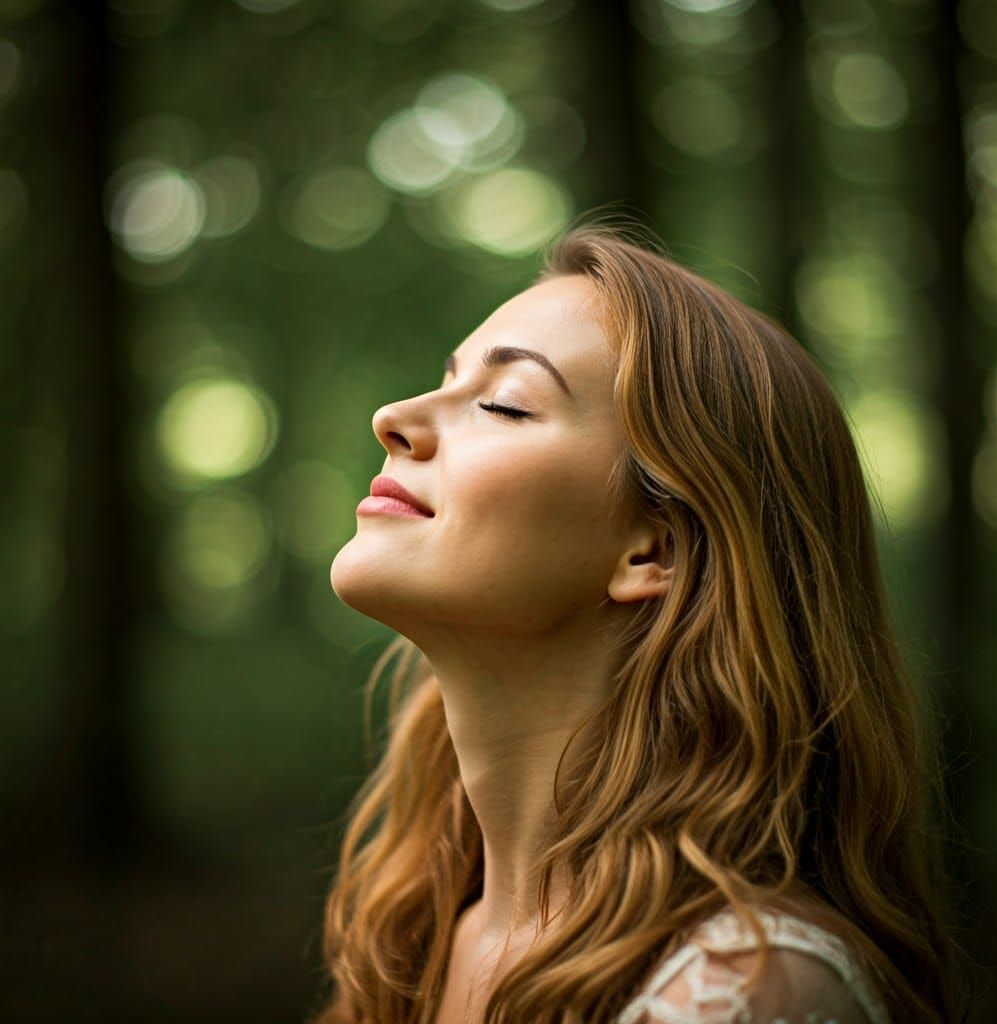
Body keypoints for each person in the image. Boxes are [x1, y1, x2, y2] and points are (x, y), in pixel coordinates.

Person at [312, 225, 963, 1023]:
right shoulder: (413, 935)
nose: (393, 416)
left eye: (502, 404)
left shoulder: (744, 990)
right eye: (442, 380)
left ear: (655, 548)